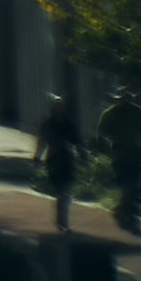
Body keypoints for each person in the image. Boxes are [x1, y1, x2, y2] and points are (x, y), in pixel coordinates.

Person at [97, 86, 141, 232]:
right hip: (119, 153)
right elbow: (101, 133)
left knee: (135, 187)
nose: (125, 103)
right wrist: (106, 150)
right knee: (128, 186)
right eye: (122, 100)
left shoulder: (138, 113)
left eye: (128, 100)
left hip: (135, 153)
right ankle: (128, 216)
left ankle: (124, 212)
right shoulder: (110, 113)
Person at [36, 96, 83, 232]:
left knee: (65, 192)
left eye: (60, 107)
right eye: (56, 107)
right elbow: (42, 142)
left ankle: (63, 222)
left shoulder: (70, 125)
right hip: (53, 161)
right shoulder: (47, 124)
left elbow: (78, 142)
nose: (58, 110)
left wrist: (83, 156)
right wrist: (37, 157)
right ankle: (61, 220)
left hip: (67, 161)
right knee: (60, 192)